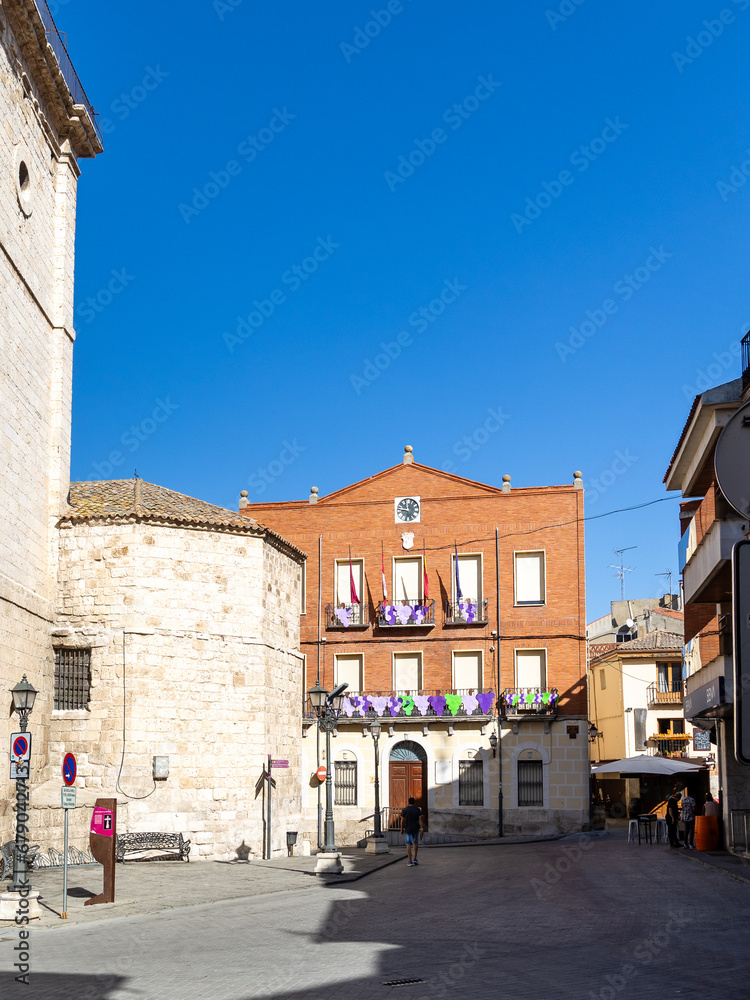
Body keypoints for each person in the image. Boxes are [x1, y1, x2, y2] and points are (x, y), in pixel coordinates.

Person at [400, 796, 424, 867]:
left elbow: (402, 821)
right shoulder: (418, 810)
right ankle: (415, 859)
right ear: (414, 802)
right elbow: (420, 820)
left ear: (408, 802)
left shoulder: (405, 810)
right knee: (415, 843)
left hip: (408, 829)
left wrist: (401, 829)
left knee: (408, 844)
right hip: (415, 828)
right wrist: (421, 828)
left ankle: (410, 861)